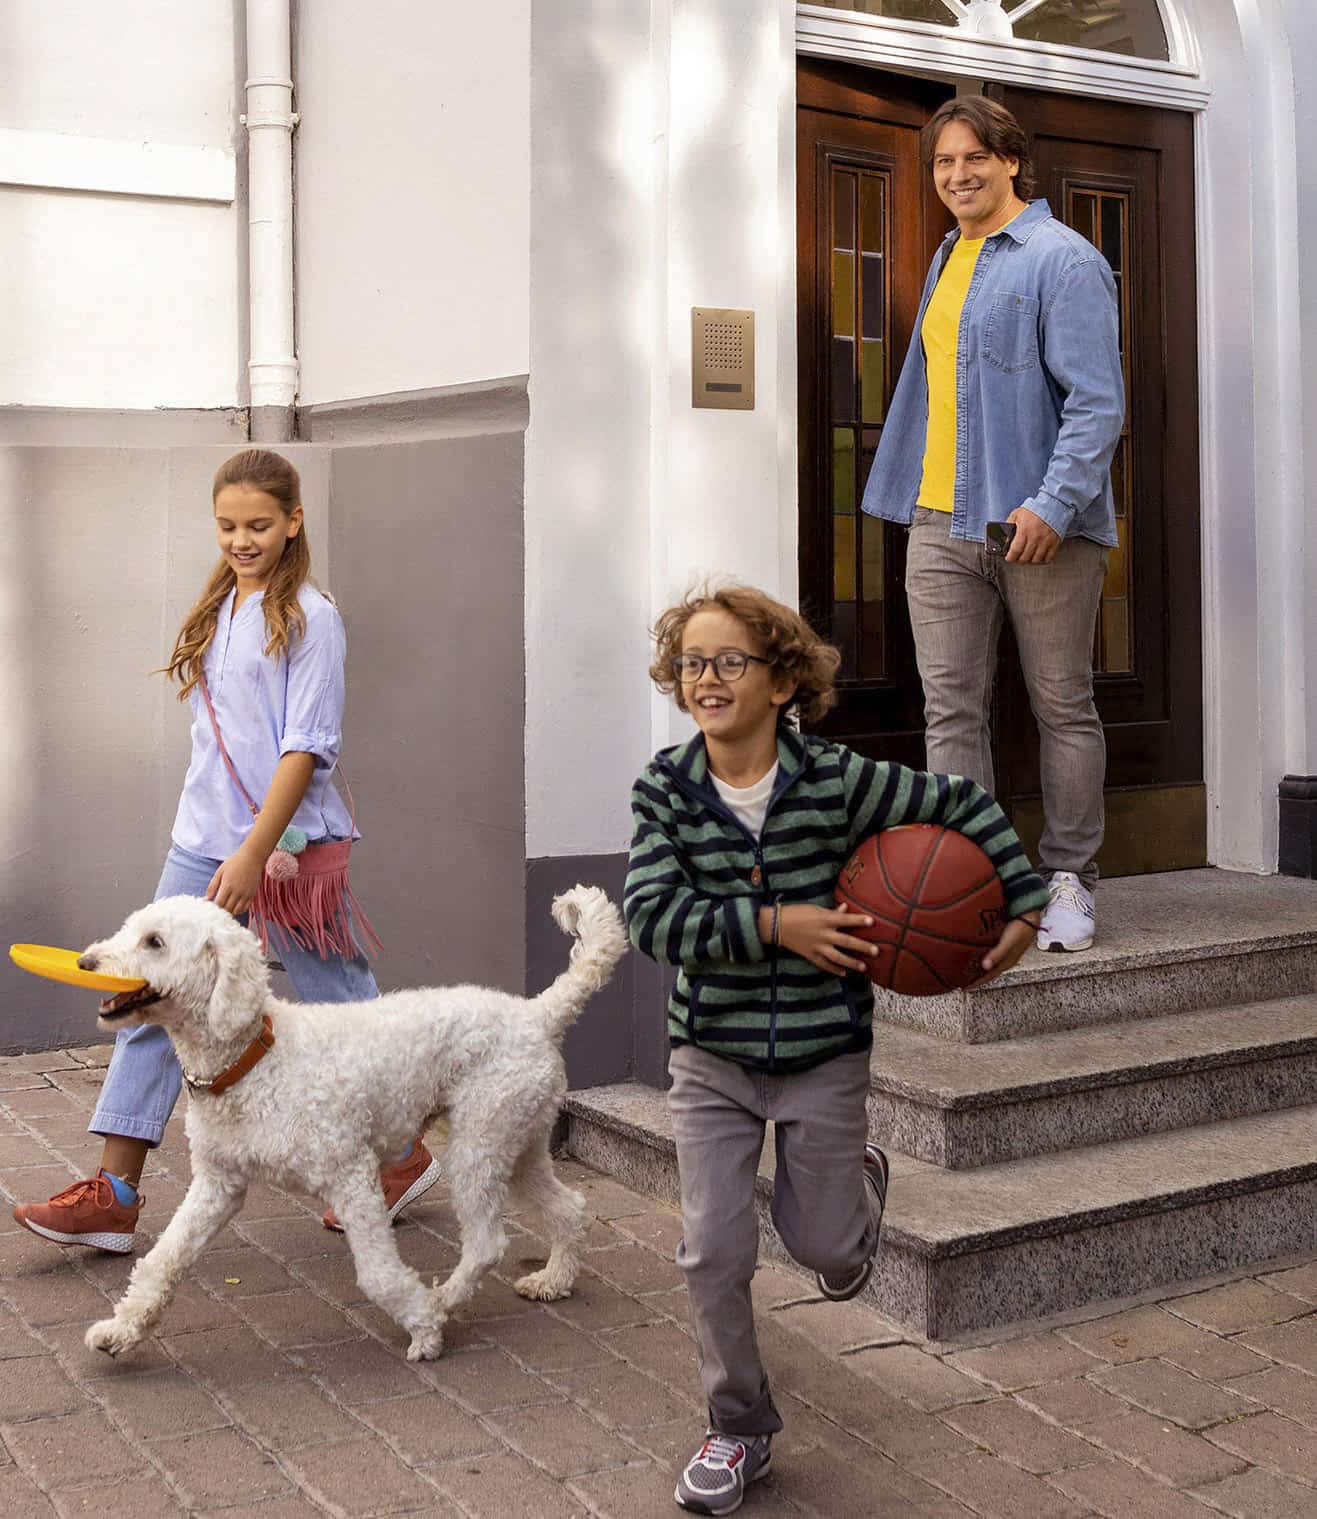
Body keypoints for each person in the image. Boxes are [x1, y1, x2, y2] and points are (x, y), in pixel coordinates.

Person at [625, 584, 1047, 1515]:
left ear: (781, 681)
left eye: (729, 661)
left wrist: (1023, 899)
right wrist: (777, 924)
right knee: (712, 1249)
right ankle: (737, 1427)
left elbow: (960, 803)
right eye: (692, 663)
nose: (705, 678)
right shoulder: (665, 788)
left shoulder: (838, 779)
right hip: (711, 1057)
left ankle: (855, 1194)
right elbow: (652, 916)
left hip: (823, 1052)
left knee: (823, 1245)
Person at [14, 449, 438, 1253]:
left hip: (283, 851)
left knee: (345, 1007)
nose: (242, 540)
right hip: (200, 840)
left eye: (259, 525)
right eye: (228, 525)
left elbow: (306, 747)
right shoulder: (222, 604)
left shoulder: (314, 618)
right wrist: (218, 845)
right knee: (148, 995)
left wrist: (252, 853)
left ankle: (402, 1153)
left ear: (294, 522)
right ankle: (113, 1193)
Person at [860, 95, 1125, 953]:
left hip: (1036, 526)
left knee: (1062, 704)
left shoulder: (1063, 259)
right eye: (943, 161)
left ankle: (1069, 878)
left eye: (974, 157)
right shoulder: (948, 255)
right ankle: (970, 881)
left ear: (1011, 160)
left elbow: (1096, 404)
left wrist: (1051, 504)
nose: (957, 174)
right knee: (950, 711)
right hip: (938, 520)